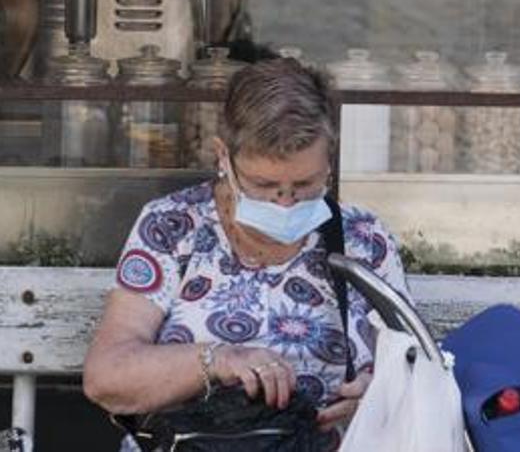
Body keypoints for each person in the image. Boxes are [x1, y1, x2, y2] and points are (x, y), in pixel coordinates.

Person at [83, 56, 410, 449]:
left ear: (330, 158)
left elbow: (417, 372)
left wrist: (380, 397)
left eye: (305, 183)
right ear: (224, 157)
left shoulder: (362, 239)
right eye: (264, 184)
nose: (286, 202)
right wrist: (218, 359)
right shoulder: (173, 227)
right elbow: (107, 377)